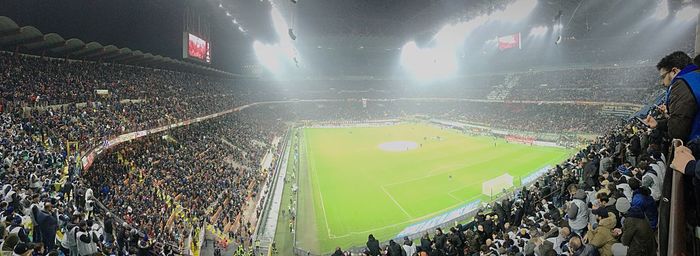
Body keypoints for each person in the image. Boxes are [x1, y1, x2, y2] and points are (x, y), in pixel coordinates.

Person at [644, 51, 699, 255]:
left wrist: (669, 116)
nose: (662, 82)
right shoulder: (695, 77)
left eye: (663, 76)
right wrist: (660, 123)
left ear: (674, 71)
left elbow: (678, 130)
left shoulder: (681, 84)